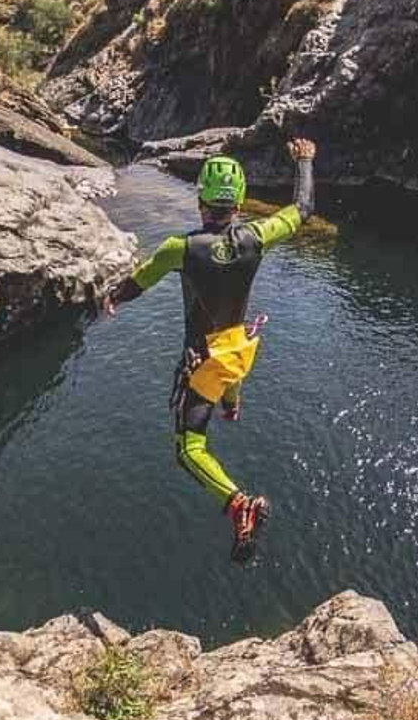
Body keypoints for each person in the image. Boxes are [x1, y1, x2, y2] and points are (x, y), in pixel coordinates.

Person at [102, 138, 316, 562]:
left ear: (201, 199)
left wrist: (112, 299)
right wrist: (305, 161)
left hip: (204, 362)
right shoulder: (258, 236)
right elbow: (302, 209)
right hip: (238, 351)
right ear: (239, 201)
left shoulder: (180, 249)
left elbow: (138, 282)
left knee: (189, 449)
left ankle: (239, 504)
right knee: (229, 375)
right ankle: (232, 406)